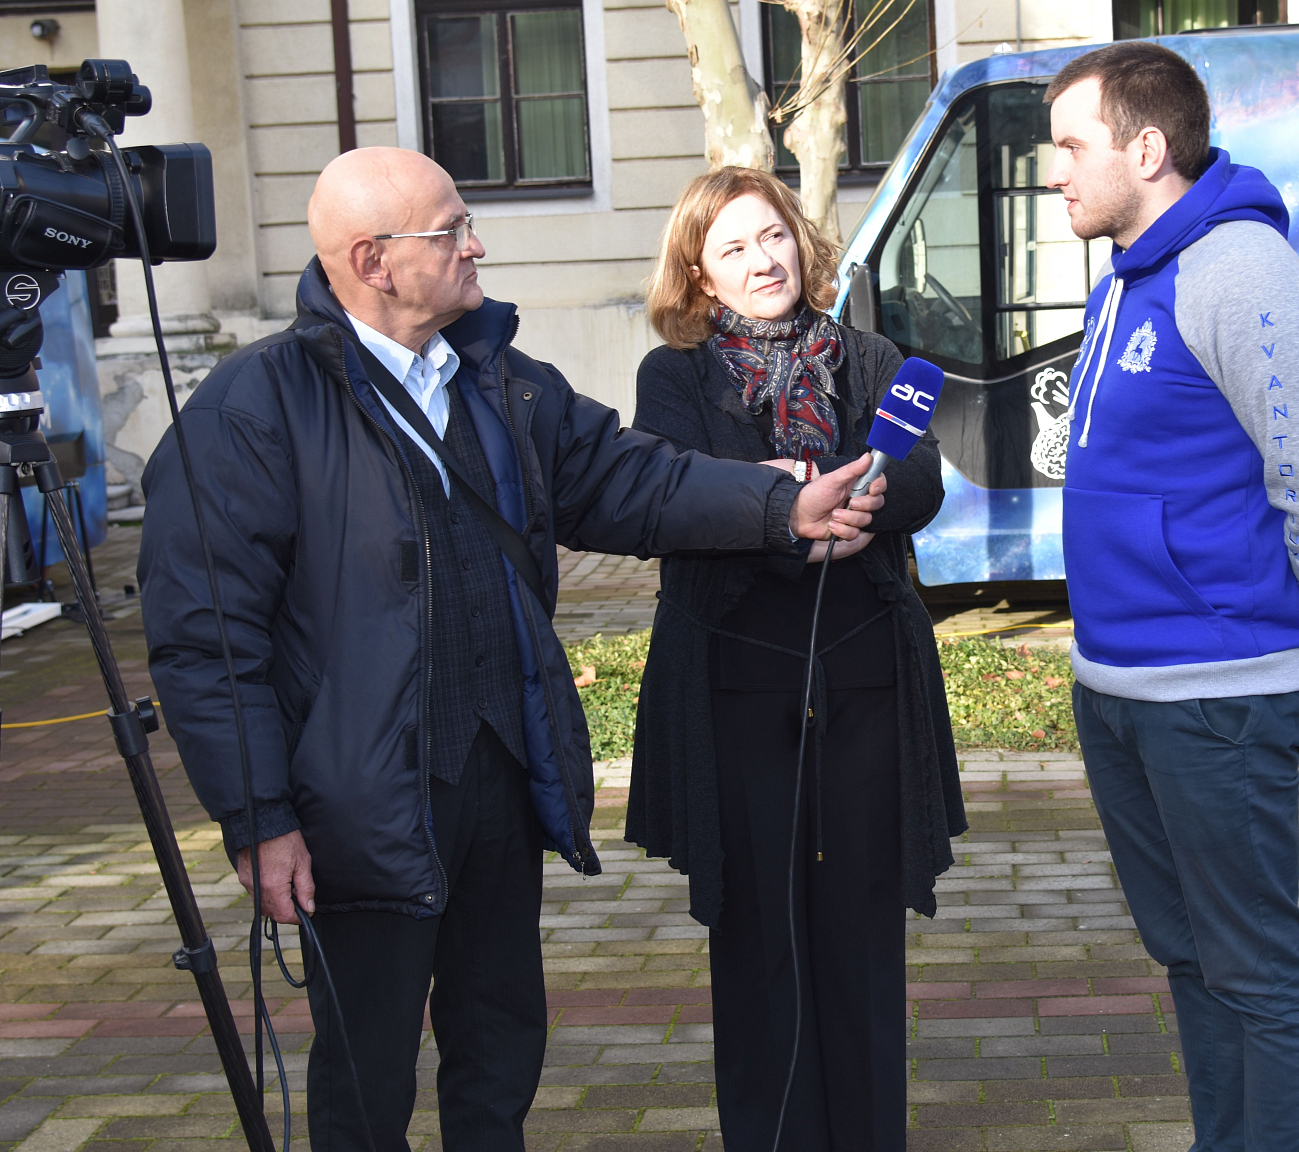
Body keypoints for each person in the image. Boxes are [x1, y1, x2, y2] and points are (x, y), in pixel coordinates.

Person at [136, 147, 885, 1152]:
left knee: (499, 1054)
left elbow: (632, 480)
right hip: (359, 802)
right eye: (450, 230)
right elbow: (205, 640)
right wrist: (259, 816)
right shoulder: (253, 410)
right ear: (373, 261)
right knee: (366, 1079)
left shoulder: (500, 379)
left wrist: (777, 505)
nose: (476, 245)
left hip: (499, 775)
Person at [1045, 43, 1299, 1151]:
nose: (1054, 171)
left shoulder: (1239, 270)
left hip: (1217, 694)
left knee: (1255, 968)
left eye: (1071, 146)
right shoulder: (1129, 272)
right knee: (1191, 957)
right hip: (1120, 685)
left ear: (1146, 149)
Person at [624, 167, 966, 1152]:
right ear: (699, 273)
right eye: (732, 247)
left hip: (864, 677)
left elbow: (920, 478)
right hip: (737, 685)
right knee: (759, 943)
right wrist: (782, 509)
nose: (761, 261)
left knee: (861, 936)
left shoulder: (869, 356)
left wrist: (858, 499)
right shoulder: (674, 377)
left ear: (800, 241)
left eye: (772, 236)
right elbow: (668, 498)